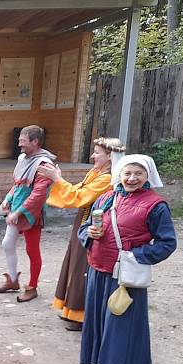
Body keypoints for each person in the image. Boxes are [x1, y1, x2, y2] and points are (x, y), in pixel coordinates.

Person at [77, 154, 177, 364]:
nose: (132, 178)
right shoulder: (106, 197)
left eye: (138, 174)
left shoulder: (155, 205)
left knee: (118, 327)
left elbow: (167, 243)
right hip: (99, 269)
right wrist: (88, 232)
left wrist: (136, 255)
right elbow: (84, 228)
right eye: (127, 173)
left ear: (147, 176)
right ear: (119, 174)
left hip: (125, 276)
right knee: (99, 321)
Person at [38, 137, 125, 331]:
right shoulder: (96, 172)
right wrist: (59, 179)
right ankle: (72, 310)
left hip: (97, 227)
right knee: (75, 264)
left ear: (110, 156)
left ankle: (83, 315)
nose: (93, 155)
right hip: (85, 221)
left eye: (97, 152)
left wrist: (57, 179)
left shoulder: (107, 179)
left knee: (83, 268)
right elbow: (79, 190)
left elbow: (80, 197)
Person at [0, 125, 56, 302]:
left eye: (23, 141)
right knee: (7, 244)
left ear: (35, 142)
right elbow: (18, 184)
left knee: (32, 250)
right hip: (16, 210)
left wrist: (18, 212)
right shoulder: (23, 159)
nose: (20, 145)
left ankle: (32, 286)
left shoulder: (44, 165)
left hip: (31, 215)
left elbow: (38, 194)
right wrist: (8, 199)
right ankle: (13, 280)